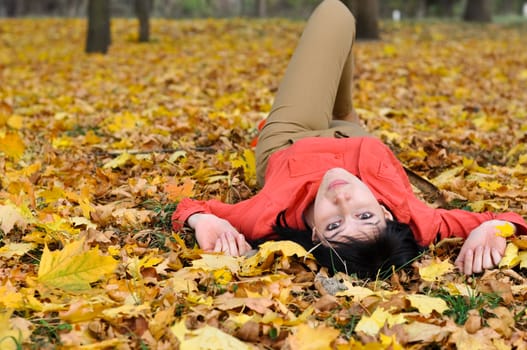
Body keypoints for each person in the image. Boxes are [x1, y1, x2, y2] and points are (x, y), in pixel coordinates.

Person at [172, 0, 527, 278]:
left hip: (292, 137)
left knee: (336, 14)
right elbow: (511, 217)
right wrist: (491, 229)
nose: (342, 198)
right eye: (365, 215)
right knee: (339, 46)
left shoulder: (263, 217)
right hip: (352, 132)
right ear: (387, 212)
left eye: (334, 224)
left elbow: (189, 207)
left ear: (314, 236)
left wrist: (205, 222)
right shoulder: (419, 219)